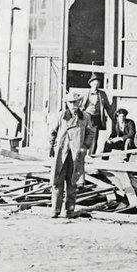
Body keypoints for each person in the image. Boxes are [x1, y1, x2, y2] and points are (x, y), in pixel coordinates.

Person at [49, 89, 97, 219]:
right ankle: (55, 210)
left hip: (75, 155)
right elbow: (53, 131)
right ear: (67, 103)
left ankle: (69, 210)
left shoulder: (85, 117)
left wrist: (85, 146)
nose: (73, 105)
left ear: (79, 102)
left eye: (75, 102)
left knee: (72, 183)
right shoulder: (61, 116)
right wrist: (52, 146)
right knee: (57, 181)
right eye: (70, 102)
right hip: (62, 153)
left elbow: (91, 133)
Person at [82, 74, 115, 151]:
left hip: (96, 118)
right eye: (94, 84)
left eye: (97, 84)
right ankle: (82, 153)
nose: (96, 86)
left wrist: (114, 118)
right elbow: (80, 106)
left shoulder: (102, 94)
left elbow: (108, 107)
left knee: (94, 137)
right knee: (84, 135)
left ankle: (91, 154)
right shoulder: (85, 93)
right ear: (90, 84)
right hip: (87, 117)